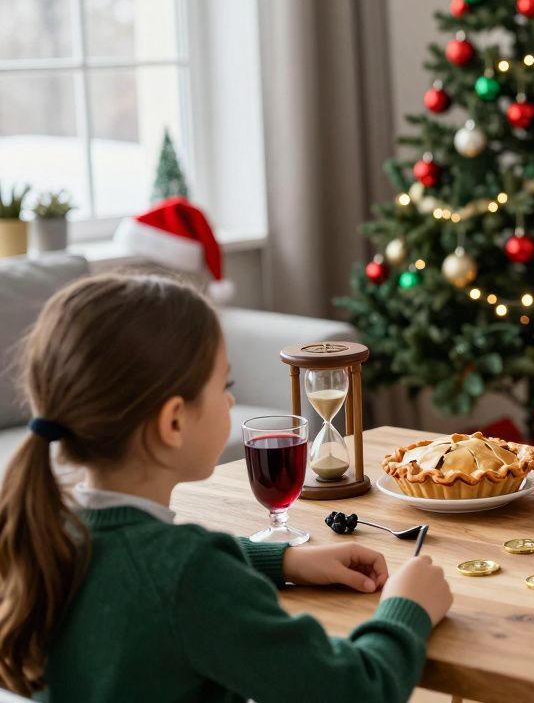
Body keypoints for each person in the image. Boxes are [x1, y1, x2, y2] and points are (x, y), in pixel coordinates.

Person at [0, 274, 452, 701]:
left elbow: (146, 565)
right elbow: (355, 691)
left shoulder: (39, 531)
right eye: (224, 386)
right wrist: (405, 609)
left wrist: (285, 559)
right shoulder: (190, 574)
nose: (232, 401)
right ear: (174, 421)